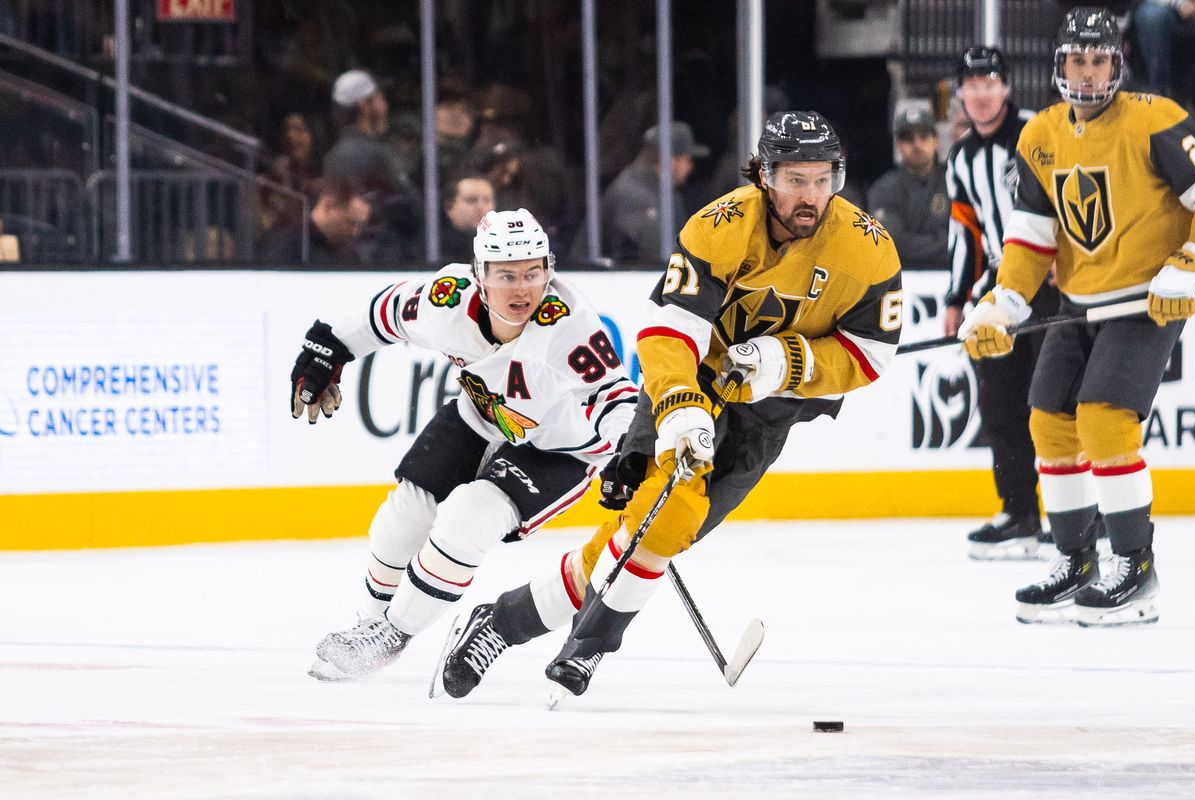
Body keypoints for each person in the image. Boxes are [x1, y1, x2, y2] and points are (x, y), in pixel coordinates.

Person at [436, 111, 903, 700]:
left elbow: (869, 355)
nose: (809, 197)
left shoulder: (868, 250)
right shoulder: (721, 226)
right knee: (668, 515)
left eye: (821, 180)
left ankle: (500, 623)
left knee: (648, 535)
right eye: (794, 180)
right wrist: (681, 406)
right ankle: (588, 647)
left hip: (768, 416)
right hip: (689, 384)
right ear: (764, 175)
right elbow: (667, 329)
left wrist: (787, 363)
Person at [290, 208, 638, 681]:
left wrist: (628, 452)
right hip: (482, 416)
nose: (522, 289)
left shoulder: (570, 330)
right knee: (404, 514)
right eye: (506, 275)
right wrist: (330, 347)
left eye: (534, 274)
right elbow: (385, 314)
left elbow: (617, 397)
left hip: (558, 449)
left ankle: (393, 634)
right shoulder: (446, 301)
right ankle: (369, 629)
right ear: (479, 275)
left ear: (549, 271)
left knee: (468, 515)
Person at [958, 7, 1195, 626]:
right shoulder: (1040, 135)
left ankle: (1135, 567)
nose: (1087, 73)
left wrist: (1189, 264)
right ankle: (1075, 559)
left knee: (1104, 419)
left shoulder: (1158, 121)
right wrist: (1003, 303)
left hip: (1145, 302)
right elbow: (1032, 239)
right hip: (1077, 307)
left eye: (1098, 60)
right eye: (1076, 60)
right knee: (1049, 421)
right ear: (1058, 65)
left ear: (1116, 63)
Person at [944, 46, 1061, 560]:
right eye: (971, 84)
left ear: (1006, 87)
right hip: (997, 288)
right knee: (999, 402)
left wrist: (1071, 254)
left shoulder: (1041, 130)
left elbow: (1072, 193)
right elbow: (965, 233)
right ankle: (1019, 511)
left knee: (1058, 398)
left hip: (1054, 281)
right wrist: (956, 296)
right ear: (961, 94)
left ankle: (1078, 512)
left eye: (990, 82)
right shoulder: (961, 157)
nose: (981, 93)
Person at [322, 69, 421, 257]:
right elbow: (413, 210)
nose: (385, 104)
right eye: (379, 97)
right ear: (364, 105)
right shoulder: (375, 154)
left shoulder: (334, 154)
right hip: (382, 254)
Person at [601, 122, 710, 262]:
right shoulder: (637, 196)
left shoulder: (657, 189)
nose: (690, 167)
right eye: (686, 159)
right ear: (669, 161)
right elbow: (659, 258)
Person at [867, 107, 950, 271]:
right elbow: (889, 242)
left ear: (936, 140)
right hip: (901, 278)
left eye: (924, 136)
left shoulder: (955, 181)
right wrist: (942, 241)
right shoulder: (883, 189)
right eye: (908, 138)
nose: (917, 144)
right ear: (898, 145)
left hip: (951, 275)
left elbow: (966, 236)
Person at [260, 178, 371, 266]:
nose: (355, 232)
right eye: (350, 222)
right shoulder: (285, 242)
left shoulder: (348, 252)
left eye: (360, 225)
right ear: (329, 205)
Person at [439, 172, 494, 262]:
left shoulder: (504, 244)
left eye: (486, 200)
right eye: (471, 200)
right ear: (449, 207)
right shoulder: (432, 247)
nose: (481, 207)